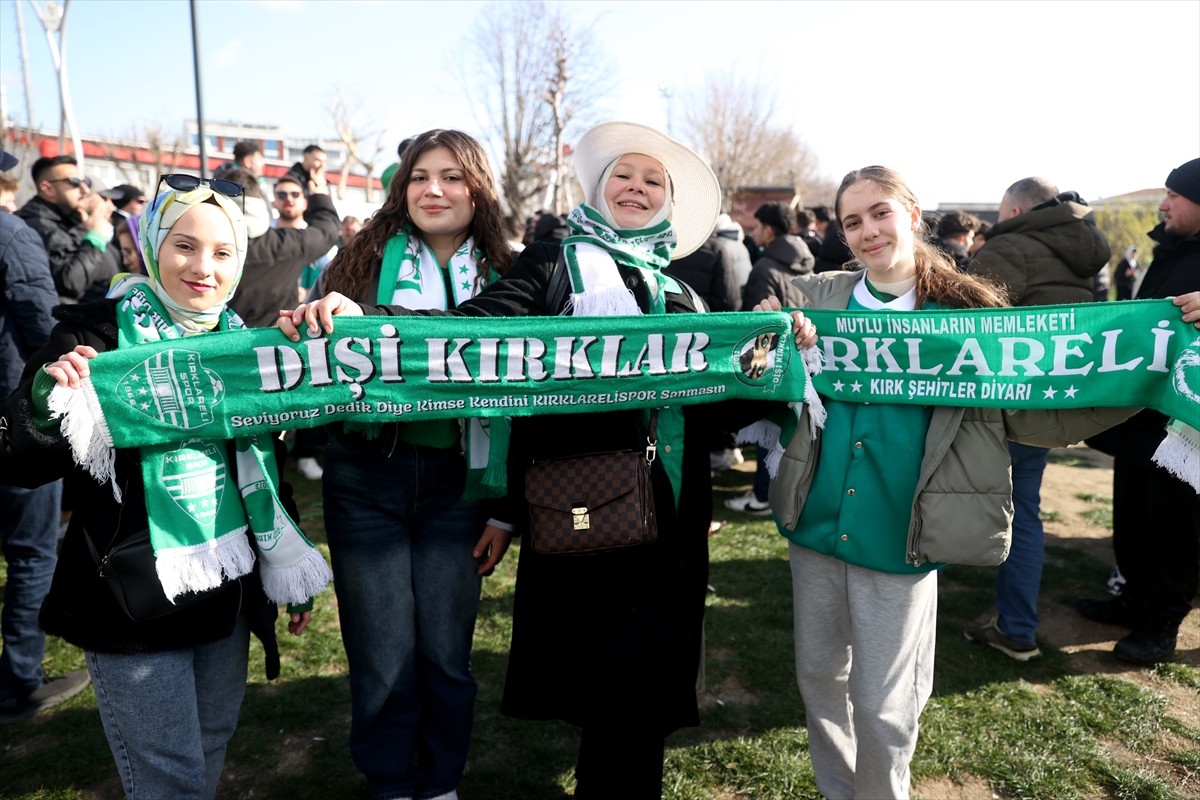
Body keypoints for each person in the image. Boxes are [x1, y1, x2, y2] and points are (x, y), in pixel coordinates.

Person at [283, 121, 737, 799]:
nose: (636, 188)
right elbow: (471, 329)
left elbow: (715, 402)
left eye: (653, 181)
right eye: (624, 175)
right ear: (598, 186)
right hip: (592, 504)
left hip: (669, 512)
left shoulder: (680, 290)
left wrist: (779, 345)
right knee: (607, 673)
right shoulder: (552, 264)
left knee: (649, 672)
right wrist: (369, 320)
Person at [759, 165, 1135, 799]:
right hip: (817, 517)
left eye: (880, 212)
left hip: (902, 527)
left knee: (884, 706)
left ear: (911, 214)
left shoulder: (969, 309)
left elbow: (1053, 385)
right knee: (820, 678)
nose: (868, 231)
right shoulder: (814, 296)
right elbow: (756, 365)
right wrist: (769, 333)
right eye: (853, 221)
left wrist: (1173, 338)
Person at [0, 175, 317, 797]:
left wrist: (288, 554)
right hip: (131, 599)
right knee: (168, 778)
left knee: (209, 746)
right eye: (184, 246)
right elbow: (16, 460)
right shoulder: (97, 337)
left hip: (223, 587)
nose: (204, 268)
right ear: (150, 245)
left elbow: (262, 468)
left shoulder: (243, 345)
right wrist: (43, 403)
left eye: (223, 253)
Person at [284, 129, 516, 800]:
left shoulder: (515, 269)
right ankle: (390, 783)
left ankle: (441, 783)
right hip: (367, 481)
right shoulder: (359, 256)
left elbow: (539, 391)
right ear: (401, 187)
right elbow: (311, 359)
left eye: (451, 176)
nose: (433, 189)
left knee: (446, 656)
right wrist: (314, 319)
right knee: (382, 658)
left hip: (464, 486)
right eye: (419, 176)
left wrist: (505, 510)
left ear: (479, 188)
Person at [963, 176, 1110, 662]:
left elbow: (962, 322)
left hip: (993, 407)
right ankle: (1017, 626)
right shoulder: (1081, 248)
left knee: (944, 497)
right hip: (1046, 406)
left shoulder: (1010, 248)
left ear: (1012, 211)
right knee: (1024, 512)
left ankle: (913, 605)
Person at [1076, 157, 1200, 666]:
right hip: (1142, 417)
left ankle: (1161, 623)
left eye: (1174, 196)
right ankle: (1132, 597)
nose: (1163, 203)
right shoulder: (1169, 249)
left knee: (1175, 523)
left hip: (1184, 427)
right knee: (1132, 513)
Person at [0, 148, 90, 724]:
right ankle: (19, 684)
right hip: (10, 421)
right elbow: (42, 326)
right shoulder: (10, 234)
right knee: (32, 553)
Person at [15, 155, 117, 303]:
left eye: (85, 181)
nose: (85, 189)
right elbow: (70, 283)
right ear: (48, 189)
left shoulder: (69, 219)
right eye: (74, 182)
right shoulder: (39, 226)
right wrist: (95, 238)